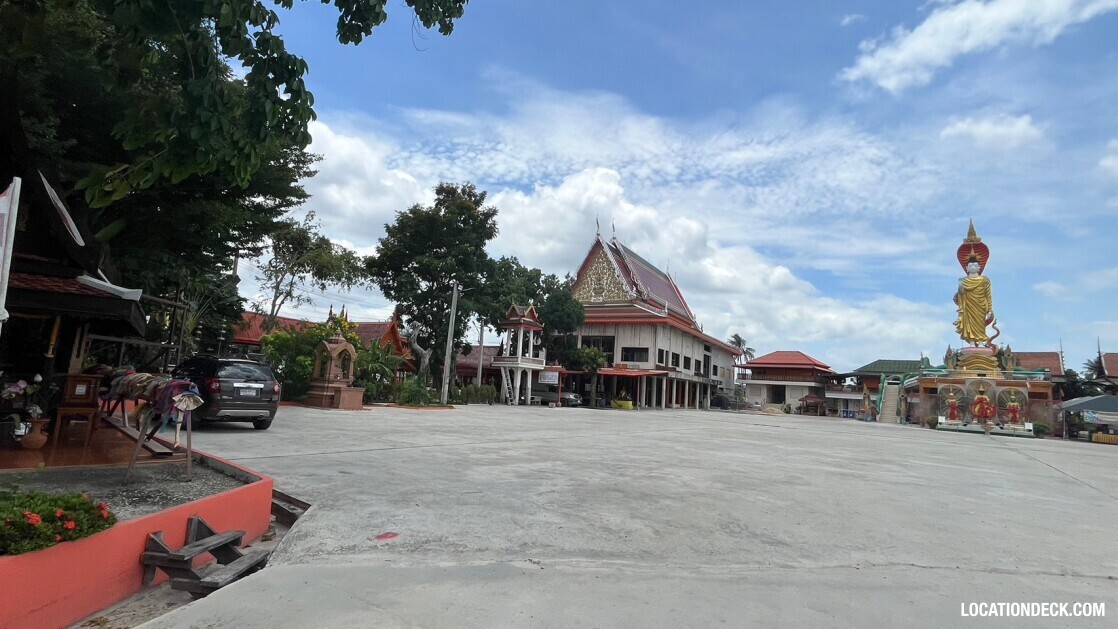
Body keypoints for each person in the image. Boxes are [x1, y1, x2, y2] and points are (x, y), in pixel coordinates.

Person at [954, 250, 995, 346]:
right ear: (966, 268)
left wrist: (989, 309)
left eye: (975, 265)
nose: (973, 267)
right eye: (971, 266)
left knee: (980, 324)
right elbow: (961, 294)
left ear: (979, 268)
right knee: (970, 324)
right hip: (968, 305)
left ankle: (980, 342)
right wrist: (960, 287)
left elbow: (988, 295)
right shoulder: (963, 280)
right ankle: (972, 342)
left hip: (980, 305)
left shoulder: (984, 280)